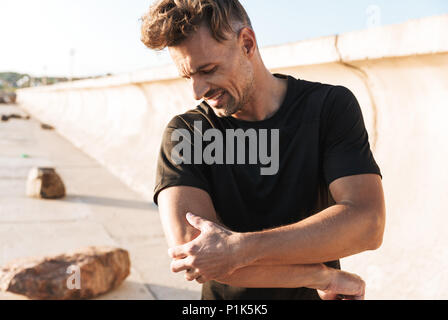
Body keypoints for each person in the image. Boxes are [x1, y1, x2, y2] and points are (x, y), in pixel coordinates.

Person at [140, 0, 386, 300]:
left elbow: (368, 223)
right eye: (188, 76)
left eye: (208, 70)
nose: (197, 91)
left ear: (246, 43)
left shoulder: (328, 108)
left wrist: (238, 250)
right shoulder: (187, 133)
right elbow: (195, 256)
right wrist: (321, 277)